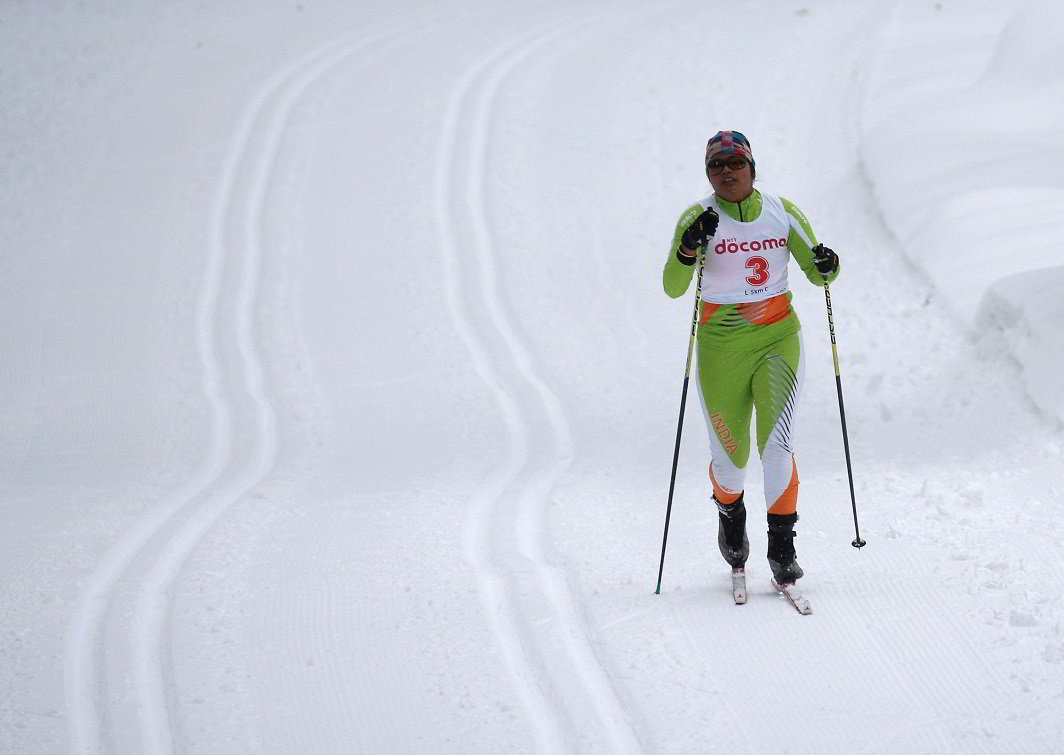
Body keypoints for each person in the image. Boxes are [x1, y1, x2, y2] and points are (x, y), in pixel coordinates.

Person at [662, 130, 840, 585]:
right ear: (708, 173)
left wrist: (827, 264)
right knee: (731, 459)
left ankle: (782, 547)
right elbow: (673, 286)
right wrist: (687, 248)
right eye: (716, 166)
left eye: (735, 164)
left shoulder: (782, 212)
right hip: (721, 349)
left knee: (777, 444)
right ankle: (731, 518)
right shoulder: (697, 215)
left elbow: (820, 273)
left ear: (751, 168)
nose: (726, 172)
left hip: (777, 339)